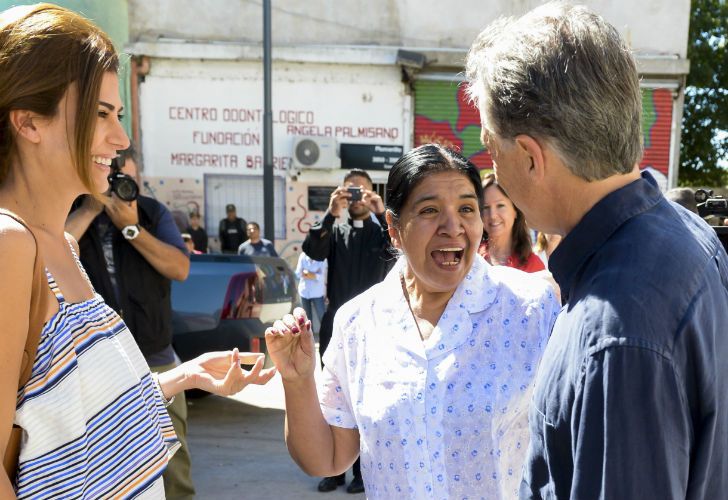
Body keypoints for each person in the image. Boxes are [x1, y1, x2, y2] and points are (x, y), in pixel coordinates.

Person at [0, 5, 276, 498]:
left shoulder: (59, 243)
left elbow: (67, 413)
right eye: (100, 114)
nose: (121, 138)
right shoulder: (9, 245)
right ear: (28, 122)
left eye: (119, 114)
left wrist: (183, 377)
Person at [465, 3, 728, 498]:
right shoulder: (685, 233)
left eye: (489, 145)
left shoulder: (617, 329)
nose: (491, 168)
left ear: (529, 156)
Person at [266, 144, 559, 499]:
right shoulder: (359, 323)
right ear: (394, 228)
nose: (453, 227)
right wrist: (296, 381)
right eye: (430, 210)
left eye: (467, 208)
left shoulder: (531, 310)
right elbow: (327, 458)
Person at [67, 145, 201, 498]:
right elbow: (52, 254)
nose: (117, 185)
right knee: (104, 466)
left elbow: (180, 268)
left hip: (155, 356)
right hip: (94, 365)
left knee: (173, 466)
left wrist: (131, 228)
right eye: (110, 176)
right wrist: (91, 208)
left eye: (123, 176)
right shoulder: (72, 212)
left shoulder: (152, 213)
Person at [301, 168, 393, 494]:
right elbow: (312, 251)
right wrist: (330, 213)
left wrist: (382, 213)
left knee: (368, 400)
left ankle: (362, 472)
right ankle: (334, 470)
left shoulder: (381, 232)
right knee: (333, 397)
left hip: (375, 326)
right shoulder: (336, 230)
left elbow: (399, 249)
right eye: (350, 190)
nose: (356, 197)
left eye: (363, 191)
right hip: (336, 325)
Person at [479, 173, 544, 273]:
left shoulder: (533, 265)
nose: (492, 215)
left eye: (500, 206)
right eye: (485, 207)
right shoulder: (471, 257)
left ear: (516, 211)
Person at [294, 252, 327, 334]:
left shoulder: (322, 258)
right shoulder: (303, 256)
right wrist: (313, 274)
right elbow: (298, 273)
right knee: (307, 320)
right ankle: (309, 339)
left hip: (317, 293)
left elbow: (320, 277)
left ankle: (326, 338)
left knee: (322, 317)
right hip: (304, 292)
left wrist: (305, 273)